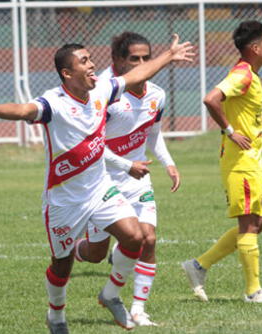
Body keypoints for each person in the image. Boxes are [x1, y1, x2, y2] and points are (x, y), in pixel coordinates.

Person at [0, 35, 193, 333]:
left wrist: (168, 55)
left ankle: (110, 295)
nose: (92, 64)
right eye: (84, 61)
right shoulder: (53, 103)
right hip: (64, 201)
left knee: (136, 238)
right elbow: (24, 110)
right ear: (67, 73)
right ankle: (56, 315)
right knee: (61, 266)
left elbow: (137, 74)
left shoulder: (102, 91)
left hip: (101, 190)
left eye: (90, 58)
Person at [72, 32, 181, 326]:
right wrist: (125, 163)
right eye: (135, 58)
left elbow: (152, 134)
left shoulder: (157, 94)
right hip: (100, 180)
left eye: (147, 57)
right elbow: (91, 144)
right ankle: (74, 249)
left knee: (148, 239)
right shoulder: (101, 94)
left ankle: (137, 309)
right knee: (96, 254)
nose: (142, 63)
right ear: (118, 61)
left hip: (137, 178)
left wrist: (168, 163)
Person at [182, 21, 262, 303]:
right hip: (240, 161)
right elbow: (211, 99)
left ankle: (198, 266)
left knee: (258, 222)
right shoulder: (242, 74)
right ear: (255, 48)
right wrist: (231, 131)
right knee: (249, 225)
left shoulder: (251, 74)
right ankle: (253, 292)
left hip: (251, 160)